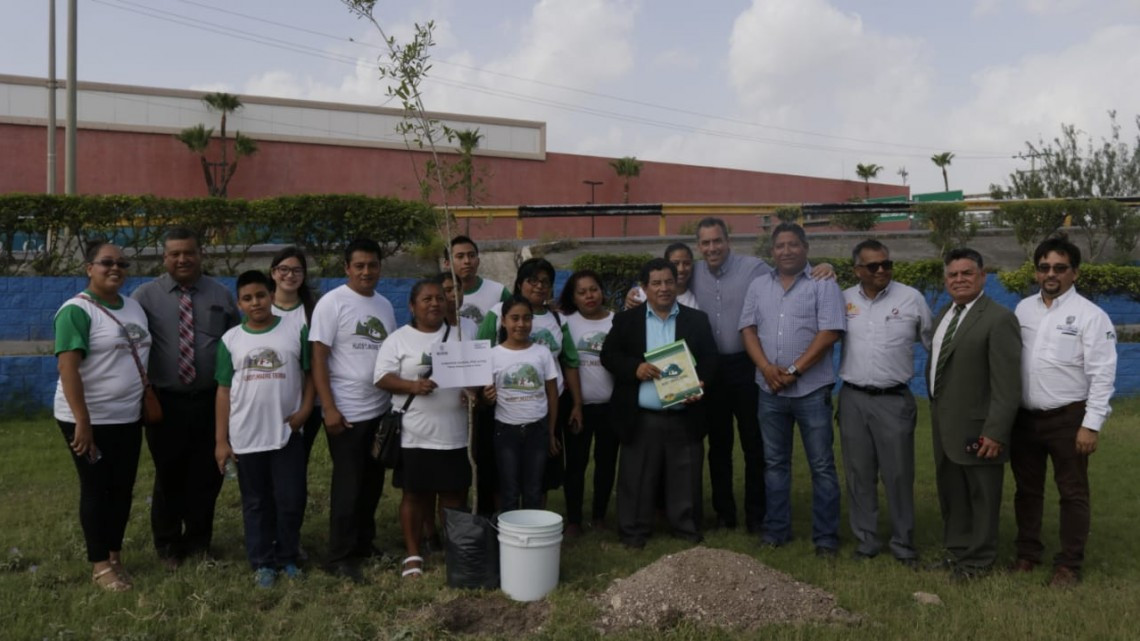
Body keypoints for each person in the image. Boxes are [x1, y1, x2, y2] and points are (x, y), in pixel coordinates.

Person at [1010, 236, 1117, 587]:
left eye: (1059, 268)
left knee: (1072, 492)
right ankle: (1027, 554)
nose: (1050, 274)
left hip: (1069, 419)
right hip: (1025, 419)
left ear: (1075, 273)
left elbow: (1102, 373)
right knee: (1027, 491)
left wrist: (1092, 425)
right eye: (1044, 268)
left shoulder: (1091, 316)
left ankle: (1069, 564)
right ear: (1036, 272)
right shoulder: (1023, 309)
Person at [133, 227, 239, 569]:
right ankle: (167, 545)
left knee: (209, 473)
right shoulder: (144, 298)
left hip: (211, 400)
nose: (182, 259)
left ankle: (199, 542)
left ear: (200, 254)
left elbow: (237, 341)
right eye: (174, 253)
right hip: (166, 401)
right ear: (164, 258)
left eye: (188, 252)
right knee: (168, 473)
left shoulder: (221, 295)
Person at [740, 222, 845, 556]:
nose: (786, 251)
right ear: (772, 252)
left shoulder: (823, 284)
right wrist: (766, 368)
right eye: (780, 246)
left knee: (822, 465)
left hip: (811, 390)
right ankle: (776, 531)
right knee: (774, 464)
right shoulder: (758, 285)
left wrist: (795, 370)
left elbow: (830, 332)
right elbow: (748, 329)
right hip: (769, 389)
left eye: (793, 245)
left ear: (805, 248)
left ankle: (826, 538)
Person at [54, 242, 151, 591]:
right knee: (96, 489)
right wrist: (82, 420)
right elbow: (68, 371)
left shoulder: (135, 308)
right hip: (87, 419)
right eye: (107, 262)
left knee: (122, 489)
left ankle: (114, 554)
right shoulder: (76, 311)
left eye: (122, 263)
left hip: (127, 417)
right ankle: (99, 565)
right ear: (88, 267)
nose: (115, 268)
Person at [601, 258, 718, 548]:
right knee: (636, 476)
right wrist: (634, 368)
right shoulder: (627, 320)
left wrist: (701, 384)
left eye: (669, 282)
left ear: (677, 284)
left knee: (686, 474)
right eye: (656, 283)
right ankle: (633, 532)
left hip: (684, 411)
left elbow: (710, 359)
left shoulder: (696, 320)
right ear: (644, 288)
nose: (663, 288)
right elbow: (609, 355)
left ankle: (686, 528)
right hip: (642, 415)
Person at [214, 270, 314, 588]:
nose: (255, 302)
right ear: (239, 303)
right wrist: (221, 440)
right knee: (256, 502)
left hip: (286, 433)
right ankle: (262, 563)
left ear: (271, 295)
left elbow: (310, 374)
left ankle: (286, 557)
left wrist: (305, 410)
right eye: (247, 298)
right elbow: (223, 391)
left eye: (260, 295)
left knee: (291, 498)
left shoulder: (296, 329)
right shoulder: (231, 340)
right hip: (246, 435)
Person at [926, 247, 1021, 580]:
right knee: (953, 492)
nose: (959, 279)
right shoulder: (944, 316)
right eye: (952, 274)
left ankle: (979, 560)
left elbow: (1007, 384)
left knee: (981, 496)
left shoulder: (999, 319)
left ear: (983, 276)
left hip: (980, 428)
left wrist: (996, 431)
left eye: (967, 273)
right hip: (945, 424)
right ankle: (957, 552)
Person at [837, 239, 932, 565]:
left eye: (886, 264)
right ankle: (866, 542)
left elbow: (934, 344)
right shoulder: (843, 299)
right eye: (873, 266)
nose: (882, 271)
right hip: (853, 399)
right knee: (859, 475)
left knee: (898, 475)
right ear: (857, 270)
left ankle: (904, 544)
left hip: (894, 400)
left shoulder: (911, 298)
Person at [309, 238, 397, 582]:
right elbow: (318, 357)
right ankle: (339, 556)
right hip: (345, 412)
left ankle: (364, 542)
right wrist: (327, 407)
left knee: (372, 483)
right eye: (358, 265)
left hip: (378, 410)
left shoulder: (385, 305)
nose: (366, 271)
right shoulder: (332, 304)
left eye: (372, 265)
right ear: (346, 268)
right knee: (348, 485)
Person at [374, 280, 473, 579]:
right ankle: (414, 554)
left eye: (440, 298)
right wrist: (411, 386)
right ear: (412, 306)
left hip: (455, 432)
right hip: (416, 432)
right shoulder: (399, 339)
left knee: (454, 494)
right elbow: (380, 377)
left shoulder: (462, 333)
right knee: (414, 495)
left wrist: (474, 392)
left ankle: (455, 549)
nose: (434, 304)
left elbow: (476, 373)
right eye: (427, 299)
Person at [478, 257, 583, 502]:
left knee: (540, 478)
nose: (539, 286)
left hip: (544, 409)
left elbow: (570, 362)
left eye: (545, 282)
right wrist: (481, 395)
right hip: (504, 413)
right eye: (532, 280)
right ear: (519, 283)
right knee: (504, 477)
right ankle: (503, 525)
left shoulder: (558, 320)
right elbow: (480, 356)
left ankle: (535, 526)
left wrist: (577, 403)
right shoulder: (497, 313)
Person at [483, 296, 561, 510]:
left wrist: (551, 432)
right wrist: (485, 397)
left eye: (527, 318)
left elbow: (552, 394)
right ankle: (510, 540)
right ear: (503, 321)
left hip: (538, 430)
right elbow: (485, 395)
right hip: (506, 431)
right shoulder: (492, 355)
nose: (521, 324)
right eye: (514, 318)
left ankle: (532, 538)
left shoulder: (542, 353)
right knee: (508, 489)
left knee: (534, 488)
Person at [558, 269, 618, 535]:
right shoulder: (565, 321)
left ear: (601, 291)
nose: (589, 296)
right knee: (576, 464)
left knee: (606, 463)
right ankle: (573, 519)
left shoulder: (618, 322)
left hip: (610, 407)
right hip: (577, 407)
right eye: (581, 292)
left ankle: (600, 516)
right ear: (573, 297)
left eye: (593, 289)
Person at [270, 246, 322, 458]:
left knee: (297, 462)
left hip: (306, 405)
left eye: (297, 270)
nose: (290, 275)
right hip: (270, 401)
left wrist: (306, 409)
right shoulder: (260, 308)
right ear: (273, 272)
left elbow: (315, 365)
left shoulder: (314, 312)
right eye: (284, 269)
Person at [443, 235, 511, 324]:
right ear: (447, 264)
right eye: (460, 256)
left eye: (471, 256)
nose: (467, 261)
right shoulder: (438, 294)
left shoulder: (498, 292)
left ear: (478, 261)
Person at [627, 242, 700, 309]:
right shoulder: (642, 295)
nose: (681, 269)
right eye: (675, 263)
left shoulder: (694, 301)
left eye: (687, 263)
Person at [436, 270, 480, 340]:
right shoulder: (431, 329)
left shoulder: (471, 325)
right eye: (448, 290)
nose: (455, 294)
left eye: (458, 289)